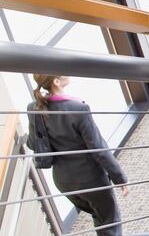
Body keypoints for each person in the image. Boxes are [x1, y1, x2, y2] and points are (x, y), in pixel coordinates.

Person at [26, 75, 128, 236]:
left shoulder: (34, 108)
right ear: (56, 82)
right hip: (91, 181)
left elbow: (32, 144)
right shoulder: (78, 108)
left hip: (64, 183)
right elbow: (98, 148)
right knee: (109, 222)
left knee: (99, 216)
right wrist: (120, 178)